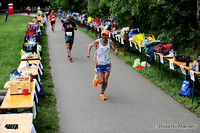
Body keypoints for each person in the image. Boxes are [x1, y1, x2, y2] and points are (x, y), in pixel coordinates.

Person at [87, 30, 118, 100]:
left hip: (107, 63)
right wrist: (88, 53)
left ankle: (102, 93)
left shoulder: (110, 42)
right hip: (99, 63)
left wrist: (115, 51)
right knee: (101, 81)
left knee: (106, 80)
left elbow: (113, 47)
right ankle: (97, 79)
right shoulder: (97, 41)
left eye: (106, 35)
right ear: (101, 35)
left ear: (108, 36)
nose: (104, 36)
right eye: (103, 35)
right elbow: (90, 45)